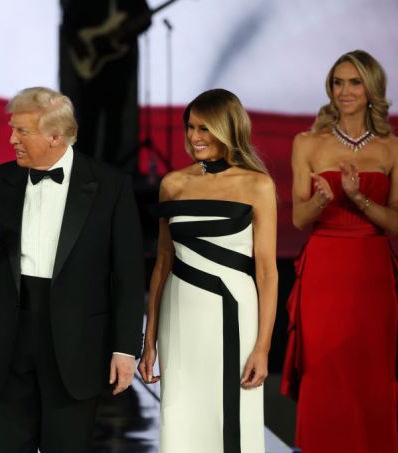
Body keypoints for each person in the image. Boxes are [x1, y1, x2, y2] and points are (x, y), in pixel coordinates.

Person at [0, 86, 145, 453]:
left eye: (22, 132)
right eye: (12, 129)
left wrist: (126, 349)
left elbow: (128, 274)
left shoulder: (110, 186)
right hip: (8, 342)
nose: (11, 139)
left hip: (76, 344)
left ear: (55, 136)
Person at [280, 50, 398, 453]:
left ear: (372, 89)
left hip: (372, 272)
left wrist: (359, 199)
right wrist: (323, 201)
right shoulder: (307, 143)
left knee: (370, 376)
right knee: (325, 374)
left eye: (354, 82)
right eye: (338, 82)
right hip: (324, 271)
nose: (345, 91)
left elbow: (396, 224)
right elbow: (300, 220)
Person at [138, 88, 278, 452]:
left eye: (205, 129)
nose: (194, 138)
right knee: (181, 415)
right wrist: (149, 337)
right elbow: (163, 263)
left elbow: (266, 272)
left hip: (233, 313)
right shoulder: (174, 184)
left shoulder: (257, 185)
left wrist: (263, 347)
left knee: (232, 418)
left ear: (228, 128)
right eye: (191, 127)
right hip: (179, 314)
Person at [59, 0, 151, 175]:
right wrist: (82, 46)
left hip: (120, 64)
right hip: (92, 68)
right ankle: (82, 171)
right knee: (87, 120)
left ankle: (110, 172)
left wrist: (127, 32)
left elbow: (145, 18)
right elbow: (68, 25)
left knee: (114, 121)